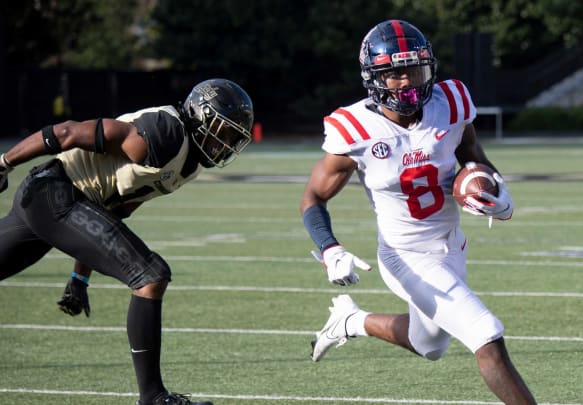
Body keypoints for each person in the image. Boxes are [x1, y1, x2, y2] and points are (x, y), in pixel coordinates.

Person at [300, 20, 536, 404]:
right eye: (394, 74)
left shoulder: (451, 103)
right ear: (374, 78)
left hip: (451, 247)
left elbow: (474, 160)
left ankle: (351, 320)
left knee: (429, 345)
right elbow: (312, 198)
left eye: (415, 69)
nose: (407, 81)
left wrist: (498, 190)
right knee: (486, 334)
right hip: (405, 256)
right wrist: (330, 250)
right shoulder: (354, 128)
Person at [0, 78, 254, 405]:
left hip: (55, 199)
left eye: (233, 138)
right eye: (223, 132)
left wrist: (80, 277)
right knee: (150, 275)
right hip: (54, 192)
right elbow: (66, 132)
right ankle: (152, 397)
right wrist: (5, 163)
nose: (225, 144)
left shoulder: (187, 163)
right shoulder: (165, 133)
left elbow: (112, 213)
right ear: (201, 115)